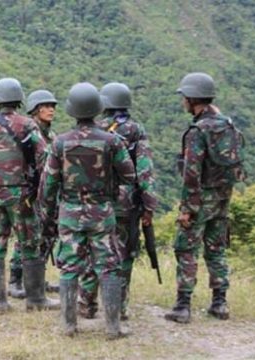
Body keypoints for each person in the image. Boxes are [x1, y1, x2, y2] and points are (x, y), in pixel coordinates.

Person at [38, 82, 135, 339]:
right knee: (109, 266)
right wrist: (112, 197)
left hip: (69, 212)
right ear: (97, 109)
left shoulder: (60, 143)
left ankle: (69, 326)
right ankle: (113, 327)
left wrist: (47, 213)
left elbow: (49, 184)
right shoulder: (112, 141)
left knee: (69, 268)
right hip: (102, 212)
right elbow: (128, 175)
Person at [0, 78, 58, 313]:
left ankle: (1, 302)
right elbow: (44, 156)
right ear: (19, 99)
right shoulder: (27, 124)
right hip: (21, 194)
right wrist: (39, 187)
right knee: (29, 244)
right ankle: (35, 300)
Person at [164, 73, 245, 323]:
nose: (183, 103)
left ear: (191, 99)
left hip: (200, 199)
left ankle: (183, 306)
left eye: (184, 98)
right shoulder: (227, 124)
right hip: (223, 198)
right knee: (216, 248)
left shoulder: (197, 132)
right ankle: (219, 303)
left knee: (186, 249)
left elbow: (191, 174)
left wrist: (187, 208)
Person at [77, 82, 158, 320]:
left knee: (93, 251)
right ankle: (119, 308)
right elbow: (145, 170)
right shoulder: (135, 130)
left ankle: (87, 303)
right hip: (126, 204)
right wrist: (149, 204)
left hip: (96, 202)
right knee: (124, 254)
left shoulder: (94, 127)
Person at [8, 89, 61, 299]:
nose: (51, 110)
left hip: (47, 192)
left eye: (52, 106)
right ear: (35, 110)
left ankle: (37, 279)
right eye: (46, 106)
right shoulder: (29, 132)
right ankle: (15, 280)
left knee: (48, 235)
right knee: (26, 237)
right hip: (29, 192)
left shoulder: (51, 134)